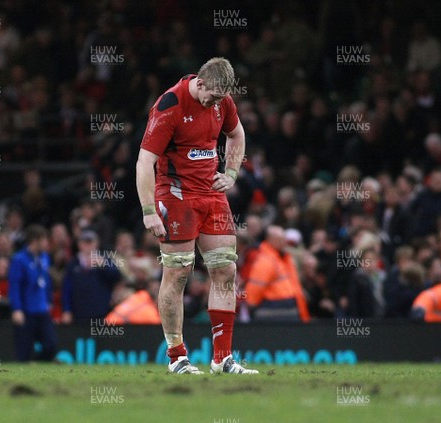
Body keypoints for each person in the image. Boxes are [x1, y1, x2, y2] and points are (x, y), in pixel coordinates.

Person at [136, 57, 258, 374]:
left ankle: (222, 358)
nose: (215, 103)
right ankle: (177, 357)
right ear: (200, 83)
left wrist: (231, 172)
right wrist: (149, 210)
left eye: (221, 98)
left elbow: (237, 134)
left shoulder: (222, 101)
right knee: (178, 273)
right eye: (212, 96)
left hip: (211, 194)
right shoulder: (170, 104)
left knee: (226, 269)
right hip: (175, 193)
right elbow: (144, 161)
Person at [8, 224, 57, 361]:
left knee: (51, 345)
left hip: (42, 310)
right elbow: (15, 285)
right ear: (35, 241)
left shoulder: (45, 257)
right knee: (23, 351)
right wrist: (17, 309)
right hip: (26, 310)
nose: (47, 243)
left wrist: (49, 300)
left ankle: (36, 363)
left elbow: (46, 280)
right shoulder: (19, 259)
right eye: (44, 240)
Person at [245, 226, 311, 322]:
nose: (284, 242)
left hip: (287, 308)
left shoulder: (282, 258)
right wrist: (252, 307)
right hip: (274, 310)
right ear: (270, 240)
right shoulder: (266, 261)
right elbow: (254, 290)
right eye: (280, 239)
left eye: (284, 238)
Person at [60, 229, 121, 323]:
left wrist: (104, 266)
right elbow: (67, 288)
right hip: (79, 313)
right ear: (79, 244)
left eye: (90, 242)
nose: (88, 245)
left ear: (97, 243)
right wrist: (66, 310)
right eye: (84, 242)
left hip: (102, 312)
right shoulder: (73, 264)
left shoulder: (105, 260)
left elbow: (117, 277)